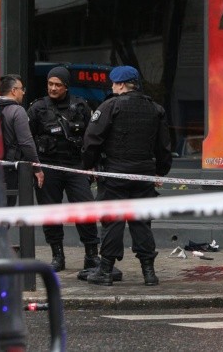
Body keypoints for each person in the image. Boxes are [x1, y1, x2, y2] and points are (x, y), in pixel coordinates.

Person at [81, 66, 172, 286]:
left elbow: (92, 140)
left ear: (121, 84)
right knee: (141, 222)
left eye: (113, 83)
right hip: (143, 175)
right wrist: (161, 170)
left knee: (113, 222)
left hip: (115, 174)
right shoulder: (155, 109)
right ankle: (149, 273)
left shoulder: (110, 106)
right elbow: (164, 146)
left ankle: (105, 271)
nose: (112, 87)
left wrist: (89, 166)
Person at [28, 66, 100, 273]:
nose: (53, 88)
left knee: (85, 208)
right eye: (50, 84)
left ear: (66, 87)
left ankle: (91, 255)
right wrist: (35, 167)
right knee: (51, 211)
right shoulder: (37, 108)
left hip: (75, 165)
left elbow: (92, 137)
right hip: (48, 165)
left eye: (57, 85)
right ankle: (57, 255)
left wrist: (92, 164)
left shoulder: (80, 106)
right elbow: (27, 138)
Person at [0, 74, 44, 206]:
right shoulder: (18, 111)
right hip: (9, 168)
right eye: (21, 89)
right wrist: (37, 168)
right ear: (13, 91)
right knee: (7, 208)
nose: (23, 92)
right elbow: (26, 143)